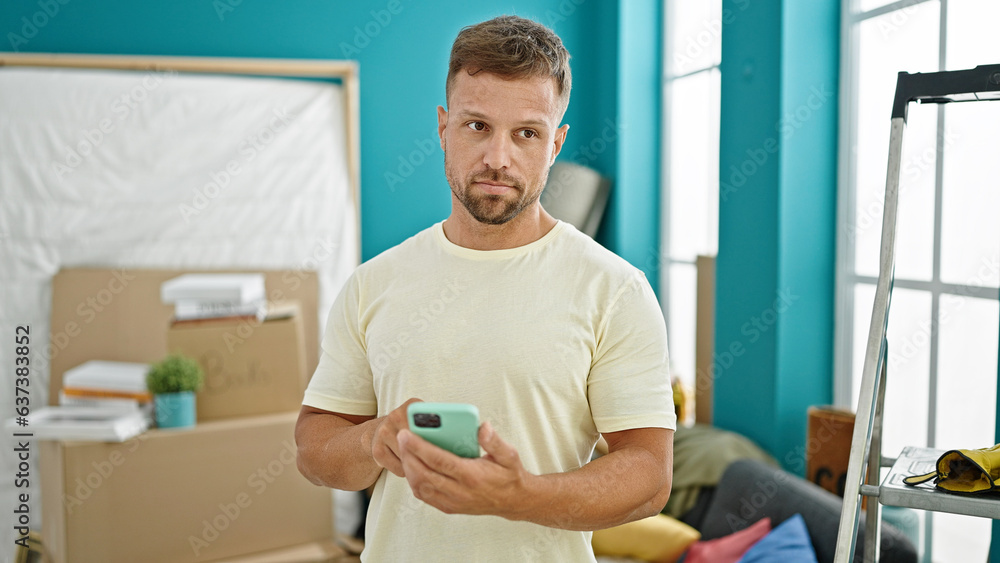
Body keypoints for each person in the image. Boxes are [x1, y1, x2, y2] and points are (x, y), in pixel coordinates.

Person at [295, 15, 675, 561]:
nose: (499, 157)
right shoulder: (373, 283)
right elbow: (314, 450)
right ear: (443, 127)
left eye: (527, 133)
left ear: (555, 143)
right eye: (477, 126)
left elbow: (649, 476)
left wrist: (522, 497)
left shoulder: (615, 289)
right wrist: (372, 439)